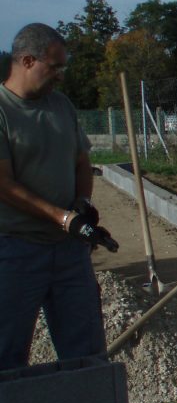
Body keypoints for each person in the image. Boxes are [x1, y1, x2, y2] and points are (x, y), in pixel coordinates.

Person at [0, 23, 119, 371]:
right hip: (15, 252)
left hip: (69, 252)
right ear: (26, 61)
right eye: (54, 67)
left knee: (87, 352)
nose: (60, 76)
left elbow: (82, 161)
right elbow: (4, 184)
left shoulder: (61, 106)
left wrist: (82, 205)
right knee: (7, 356)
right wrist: (62, 217)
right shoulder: (3, 112)